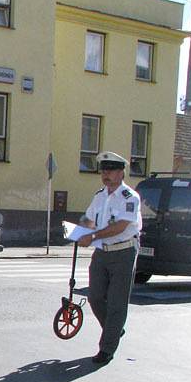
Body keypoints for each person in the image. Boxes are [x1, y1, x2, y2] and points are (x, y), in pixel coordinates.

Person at [78, 151, 142, 365]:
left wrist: (92, 235)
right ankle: (114, 330)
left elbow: (121, 226)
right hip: (102, 252)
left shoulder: (129, 197)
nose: (106, 174)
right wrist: (78, 231)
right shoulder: (99, 196)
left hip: (123, 252)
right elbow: (88, 219)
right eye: (103, 170)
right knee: (95, 297)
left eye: (111, 170)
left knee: (116, 302)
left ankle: (107, 348)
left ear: (121, 173)